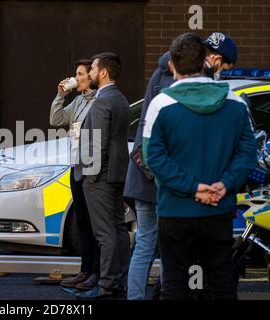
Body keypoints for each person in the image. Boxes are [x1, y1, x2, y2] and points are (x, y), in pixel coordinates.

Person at [143, 33, 257, 300]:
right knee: (221, 282)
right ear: (206, 62)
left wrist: (193, 188)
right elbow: (247, 153)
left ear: (171, 65)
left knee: (174, 284)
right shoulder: (236, 102)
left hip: (175, 210)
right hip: (220, 207)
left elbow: (154, 158)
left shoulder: (161, 103)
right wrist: (225, 183)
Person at [75, 52, 131, 299]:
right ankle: (120, 281)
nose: (90, 73)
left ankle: (107, 284)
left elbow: (96, 143)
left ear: (104, 72)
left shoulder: (102, 101)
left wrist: (91, 176)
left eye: (93, 69)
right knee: (118, 229)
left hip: (101, 176)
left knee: (104, 232)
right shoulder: (120, 98)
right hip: (118, 173)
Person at [124, 52, 174, 300]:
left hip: (142, 179)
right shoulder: (175, 81)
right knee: (169, 247)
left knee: (144, 244)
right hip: (159, 182)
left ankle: (135, 296)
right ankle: (165, 294)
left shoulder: (158, 75)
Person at [49, 59, 100, 291]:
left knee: (94, 223)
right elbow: (56, 120)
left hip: (91, 168)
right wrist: (60, 95)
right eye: (76, 74)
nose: (76, 78)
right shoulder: (78, 100)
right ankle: (85, 270)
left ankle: (96, 273)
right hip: (75, 167)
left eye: (79, 74)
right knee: (82, 223)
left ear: (91, 76)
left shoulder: (100, 101)